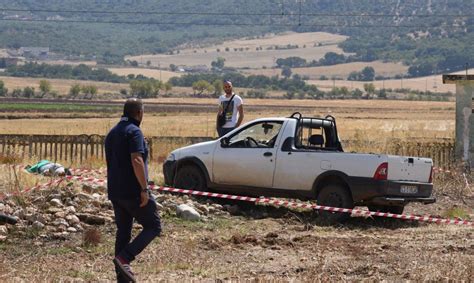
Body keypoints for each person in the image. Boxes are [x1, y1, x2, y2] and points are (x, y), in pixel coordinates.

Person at [105, 98, 161, 283]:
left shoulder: (112, 133)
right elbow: (136, 160)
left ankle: (122, 278)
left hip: (115, 191)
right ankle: (125, 258)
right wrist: (144, 189)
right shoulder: (134, 132)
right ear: (138, 113)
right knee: (153, 226)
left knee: (123, 231)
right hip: (133, 191)